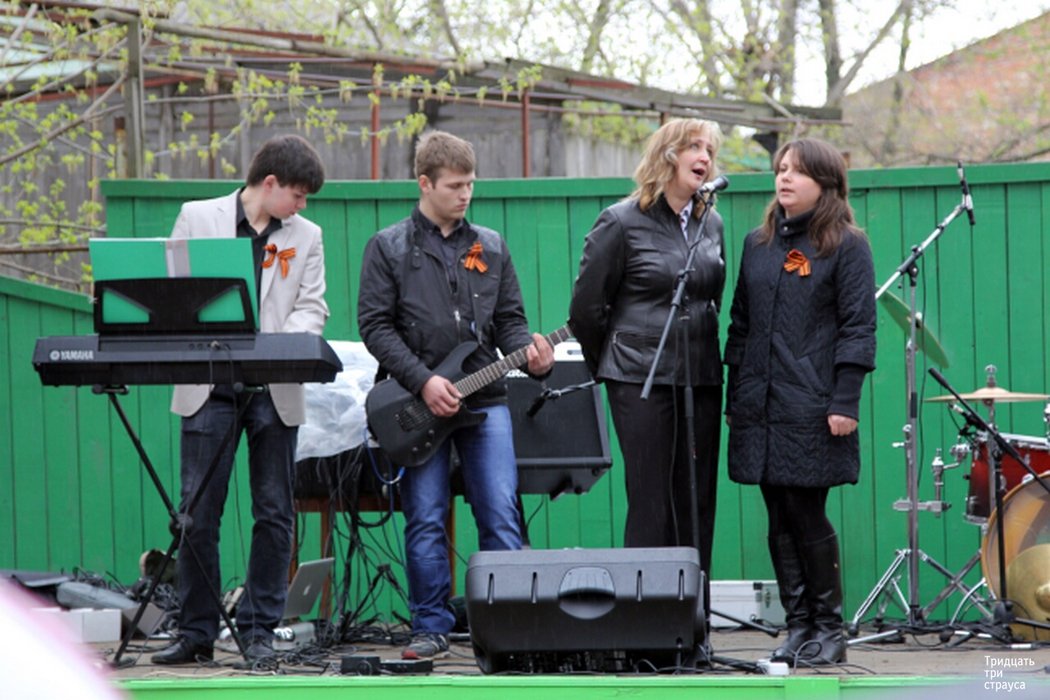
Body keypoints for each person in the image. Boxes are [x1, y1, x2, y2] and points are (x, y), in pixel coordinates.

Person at [357, 130, 554, 659]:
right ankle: (430, 627)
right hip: (417, 404)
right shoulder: (388, 247)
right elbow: (374, 326)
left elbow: (510, 322)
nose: (466, 194)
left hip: (486, 400)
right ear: (424, 183)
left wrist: (533, 358)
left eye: (471, 184)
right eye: (455, 185)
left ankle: (509, 628)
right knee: (424, 516)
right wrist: (423, 380)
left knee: (501, 512)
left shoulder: (491, 245)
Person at [152, 134, 328, 665]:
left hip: (274, 386)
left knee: (274, 512)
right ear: (270, 183)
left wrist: (273, 352)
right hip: (208, 386)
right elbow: (171, 295)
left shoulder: (308, 236)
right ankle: (195, 633)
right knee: (197, 514)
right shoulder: (196, 217)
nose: (302, 206)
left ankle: (258, 632)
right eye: (297, 194)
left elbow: (312, 308)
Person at [724, 138, 876, 665]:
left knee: (805, 512)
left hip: (813, 404)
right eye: (781, 169)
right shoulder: (757, 244)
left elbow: (858, 327)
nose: (784, 178)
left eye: (798, 171)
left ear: (826, 183)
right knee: (777, 514)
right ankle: (798, 627)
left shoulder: (847, 245)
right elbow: (740, 325)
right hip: (758, 404)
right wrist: (736, 398)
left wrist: (845, 400)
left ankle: (829, 629)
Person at [568, 119, 726, 576]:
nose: (704, 157)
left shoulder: (710, 223)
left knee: (696, 500)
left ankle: (693, 610)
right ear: (667, 155)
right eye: (693, 146)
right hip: (640, 378)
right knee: (652, 501)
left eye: (709, 150)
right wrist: (614, 365)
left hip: (701, 378)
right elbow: (586, 311)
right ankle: (647, 611)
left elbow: (713, 299)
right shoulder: (620, 222)